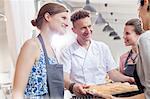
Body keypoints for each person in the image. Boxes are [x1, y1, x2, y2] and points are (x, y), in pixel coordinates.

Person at [60, 9, 134, 96]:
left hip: (102, 94)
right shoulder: (67, 51)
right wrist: (72, 86)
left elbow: (113, 74)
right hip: (80, 95)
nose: (88, 31)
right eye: (83, 28)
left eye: (89, 26)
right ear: (74, 30)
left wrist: (128, 79)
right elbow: (64, 77)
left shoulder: (102, 47)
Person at [89, 0, 150, 98]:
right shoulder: (125, 57)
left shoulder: (146, 38)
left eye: (139, 6)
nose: (138, 11)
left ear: (146, 2)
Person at [12, 2, 70, 99]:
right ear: (48, 17)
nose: (67, 24)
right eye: (63, 18)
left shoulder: (53, 50)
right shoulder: (32, 46)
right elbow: (17, 92)